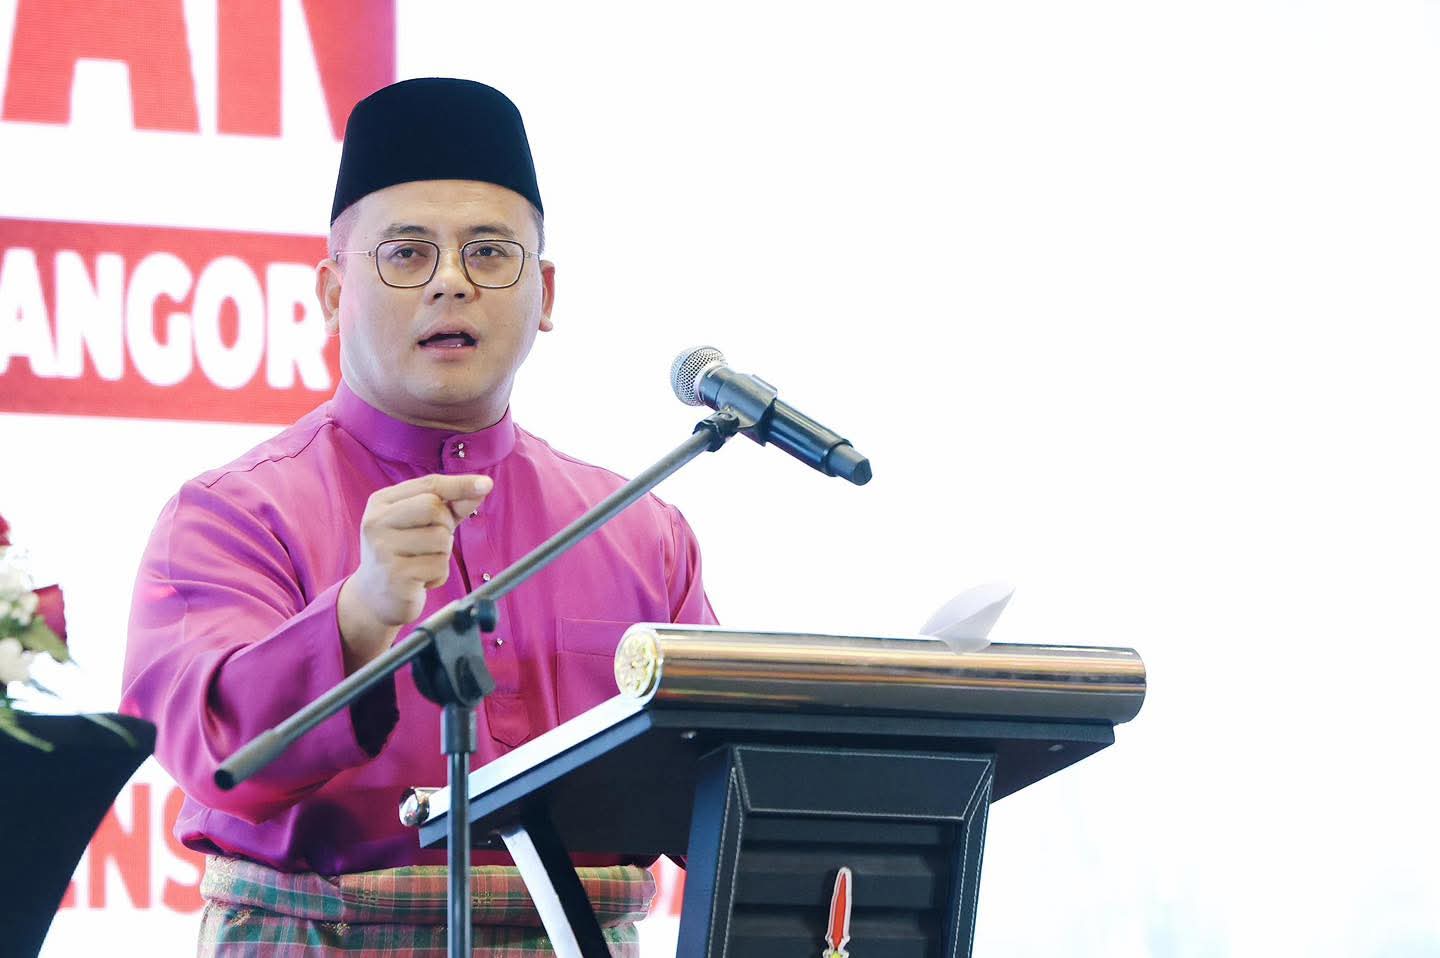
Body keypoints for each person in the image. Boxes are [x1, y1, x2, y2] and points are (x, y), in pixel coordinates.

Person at [121, 77, 717, 955]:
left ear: (546, 293)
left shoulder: (640, 529)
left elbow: (715, 783)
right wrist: (355, 620)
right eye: (406, 254)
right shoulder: (231, 516)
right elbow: (213, 755)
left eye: (490, 253)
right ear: (332, 294)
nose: (451, 283)